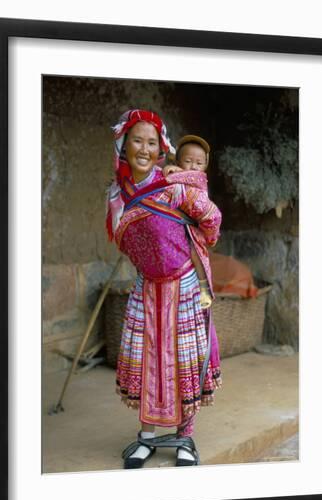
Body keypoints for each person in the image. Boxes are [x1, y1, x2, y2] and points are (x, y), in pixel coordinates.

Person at [106, 110, 222, 468]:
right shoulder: (116, 195)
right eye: (137, 140)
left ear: (161, 149)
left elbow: (211, 219)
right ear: (124, 146)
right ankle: (147, 437)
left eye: (151, 142)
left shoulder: (175, 186)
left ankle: (185, 438)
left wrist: (193, 244)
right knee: (146, 361)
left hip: (184, 285)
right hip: (147, 289)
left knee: (184, 360)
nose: (144, 148)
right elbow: (120, 238)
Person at [164, 135, 214, 309]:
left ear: (205, 166)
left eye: (199, 163)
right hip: (174, 224)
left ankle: (203, 288)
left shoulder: (199, 179)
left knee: (196, 254)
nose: (194, 166)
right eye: (188, 160)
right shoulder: (175, 177)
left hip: (192, 227)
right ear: (178, 161)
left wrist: (175, 172)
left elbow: (187, 178)